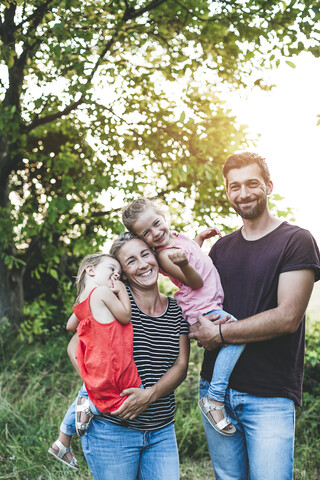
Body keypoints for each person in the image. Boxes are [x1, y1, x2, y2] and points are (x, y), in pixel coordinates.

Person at [189, 152, 320, 480]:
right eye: (235, 187)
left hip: (269, 394)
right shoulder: (221, 249)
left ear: (269, 186)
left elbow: (287, 316)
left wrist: (219, 335)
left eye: (252, 184)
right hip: (214, 391)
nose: (243, 193)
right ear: (228, 192)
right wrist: (189, 255)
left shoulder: (296, 240)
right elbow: (198, 301)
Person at [66, 233, 189, 479]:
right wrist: (97, 385)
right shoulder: (116, 303)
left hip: (162, 429)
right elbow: (74, 347)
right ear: (121, 273)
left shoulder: (177, 308)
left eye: (145, 254)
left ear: (155, 257)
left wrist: (149, 395)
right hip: (113, 430)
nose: (142, 264)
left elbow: (181, 365)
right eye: (131, 261)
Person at [122, 198, 246, 436]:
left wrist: (198, 240)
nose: (156, 233)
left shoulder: (177, 239)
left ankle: (217, 396)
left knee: (232, 336)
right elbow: (194, 279)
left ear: (164, 216)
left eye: (157, 223)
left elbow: (191, 254)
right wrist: (186, 264)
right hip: (201, 307)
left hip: (209, 302)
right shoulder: (165, 256)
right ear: (140, 238)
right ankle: (215, 398)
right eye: (146, 233)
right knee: (238, 334)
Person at [48, 252, 141, 470]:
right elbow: (126, 316)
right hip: (112, 362)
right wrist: (123, 291)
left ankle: (63, 439)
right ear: (91, 270)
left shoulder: (83, 299)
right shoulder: (101, 292)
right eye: (112, 270)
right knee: (133, 395)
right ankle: (91, 409)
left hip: (92, 361)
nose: (116, 277)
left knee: (87, 391)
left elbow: (71, 326)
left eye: (119, 275)